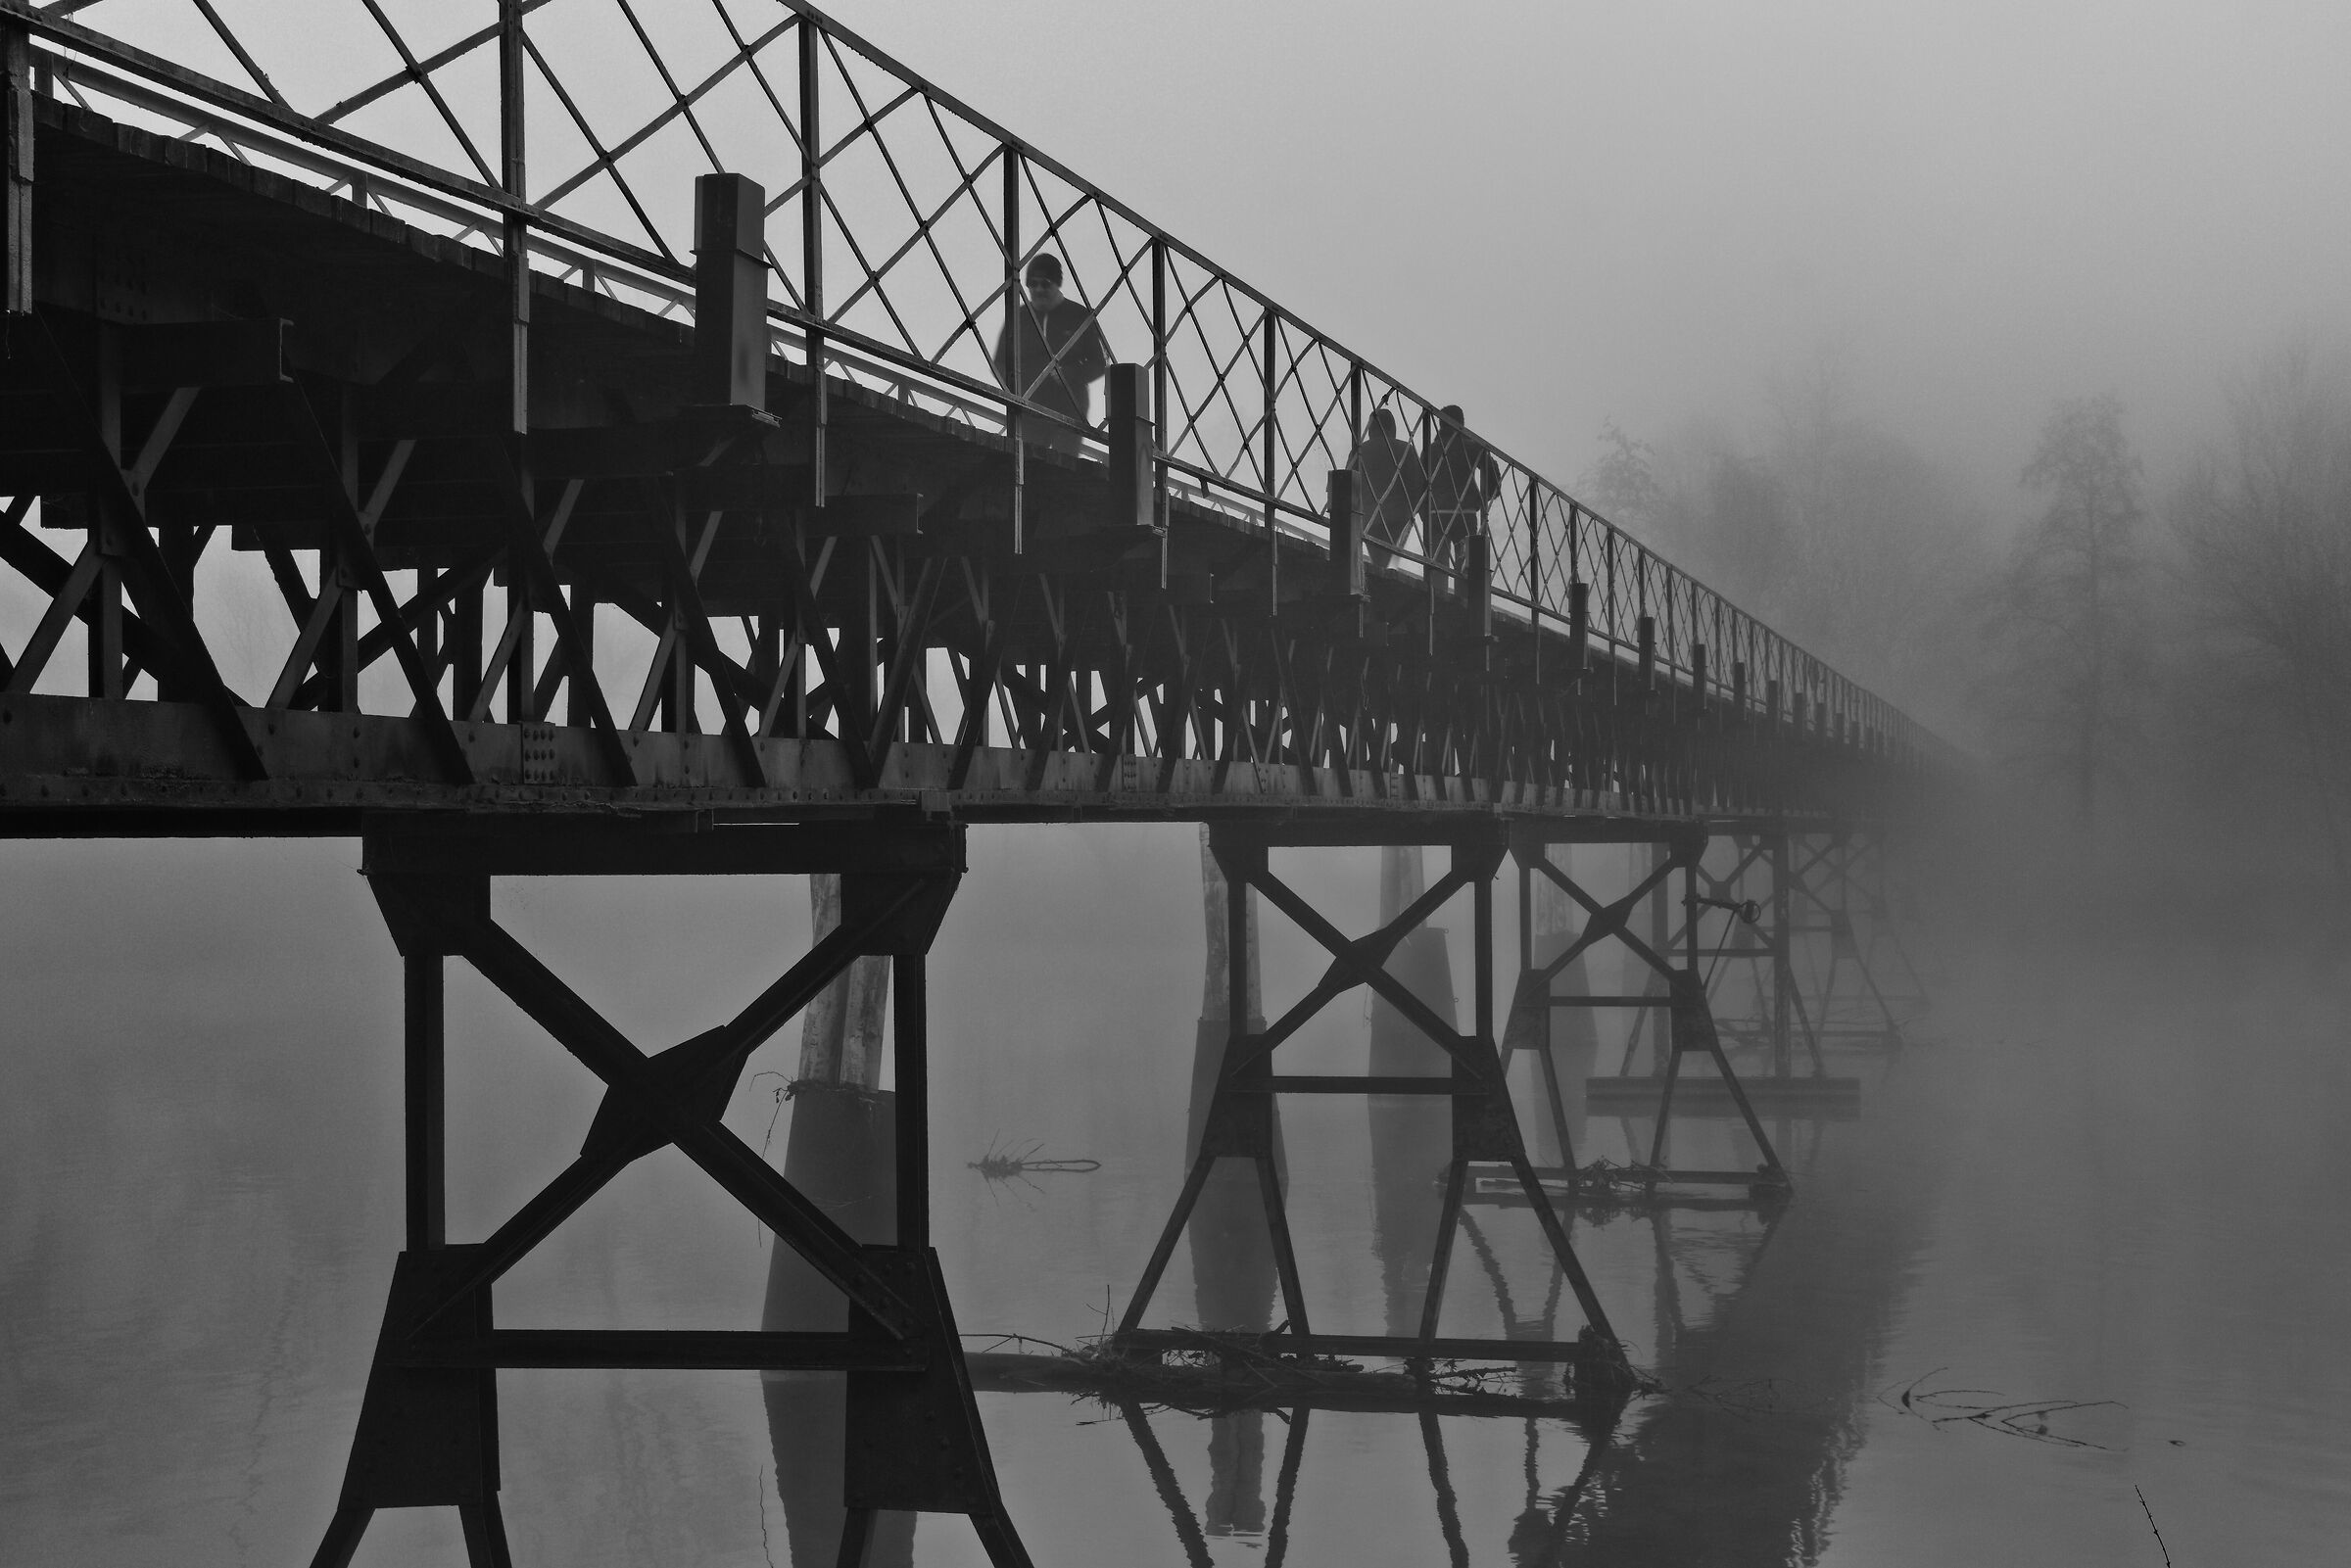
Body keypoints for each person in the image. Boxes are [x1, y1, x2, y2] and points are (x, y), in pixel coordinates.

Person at [993, 253, 1112, 454]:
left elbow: (1099, 363)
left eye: (1045, 284)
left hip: (1070, 410)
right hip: (1029, 407)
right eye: (1033, 284)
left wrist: (1071, 374)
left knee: (1064, 468)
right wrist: (1016, 385)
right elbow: (999, 363)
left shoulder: (1078, 315)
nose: (1038, 289)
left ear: (1057, 285)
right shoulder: (1019, 316)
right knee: (1025, 466)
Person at [1420, 404, 1500, 593]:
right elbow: (1493, 476)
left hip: (1436, 513)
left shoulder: (1430, 450)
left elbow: (1420, 482)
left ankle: (1435, 598)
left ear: (1440, 424)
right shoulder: (1471, 447)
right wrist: (1484, 498)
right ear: (1462, 423)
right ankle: (1464, 601)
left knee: (1436, 565)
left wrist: (1424, 513)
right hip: (1465, 513)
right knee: (1466, 567)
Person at [1346, 406, 1426, 571]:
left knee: (1379, 562)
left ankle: (1379, 580)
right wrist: (1410, 512)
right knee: (1390, 562)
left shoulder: (1359, 451)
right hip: (1399, 519)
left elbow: (1346, 485)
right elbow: (1419, 487)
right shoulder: (1406, 450)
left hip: (1368, 517)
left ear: (1370, 429)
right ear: (1392, 428)